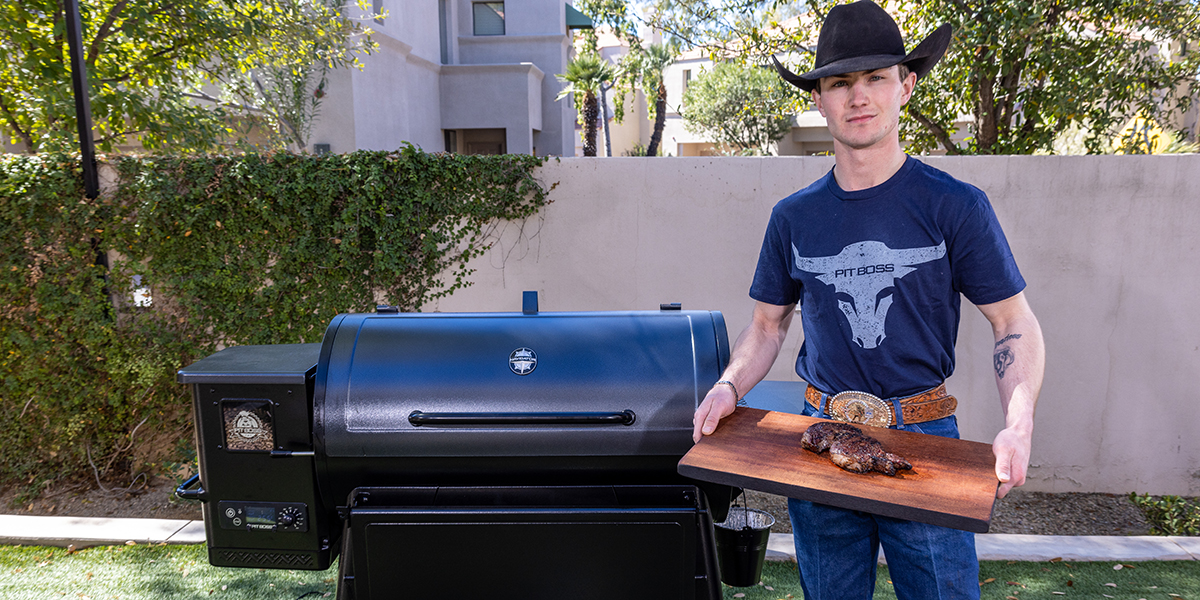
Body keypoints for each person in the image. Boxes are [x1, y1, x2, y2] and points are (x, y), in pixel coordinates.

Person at [690, 2, 1045, 599]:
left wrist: (1019, 422)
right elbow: (767, 326)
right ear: (820, 99)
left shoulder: (956, 207)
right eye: (840, 82)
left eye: (876, 77)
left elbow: (1013, 322)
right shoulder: (794, 218)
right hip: (820, 436)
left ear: (905, 86)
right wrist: (729, 387)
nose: (859, 97)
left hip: (925, 441)